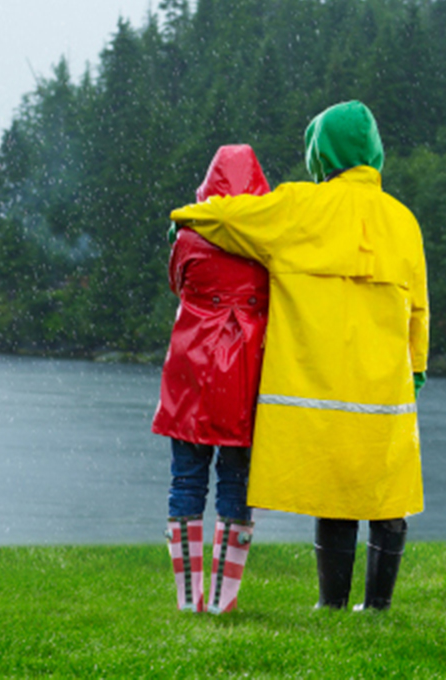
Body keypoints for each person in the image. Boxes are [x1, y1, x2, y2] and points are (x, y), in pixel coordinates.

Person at [170, 100, 428, 611]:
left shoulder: (301, 209)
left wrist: (185, 216)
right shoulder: (404, 221)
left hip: (323, 388)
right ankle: (377, 606)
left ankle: (331, 604)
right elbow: (419, 309)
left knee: (335, 496)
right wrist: (416, 369)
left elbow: (230, 216)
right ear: (374, 152)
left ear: (321, 154)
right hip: (387, 390)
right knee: (385, 496)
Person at [152, 144, 270, 613]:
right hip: (245, 372)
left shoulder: (187, 236)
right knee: (237, 482)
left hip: (190, 372)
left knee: (186, 480)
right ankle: (223, 599)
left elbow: (177, 284)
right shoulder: (267, 241)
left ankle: (187, 599)